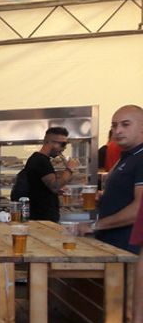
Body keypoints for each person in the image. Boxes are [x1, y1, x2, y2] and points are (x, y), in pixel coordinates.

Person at [82, 105, 143, 252]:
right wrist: (104, 198)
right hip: (115, 247)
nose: (118, 130)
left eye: (125, 124)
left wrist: (94, 225)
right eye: (114, 126)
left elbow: (139, 209)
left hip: (130, 250)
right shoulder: (128, 156)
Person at [21, 127, 79, 222]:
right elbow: (55, 186)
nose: (64, 148)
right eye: (62, 144)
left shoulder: (40, 159)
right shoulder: (40, 160)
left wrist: (51, 192)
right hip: (42, 219)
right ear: (49, 142)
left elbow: (40, 186)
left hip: (41, 217)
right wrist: (69, 169)